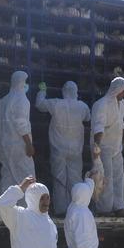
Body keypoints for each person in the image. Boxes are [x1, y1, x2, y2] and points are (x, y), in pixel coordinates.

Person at [35, 80, 91, 215]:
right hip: (76, 149)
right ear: (76, 91)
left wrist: (42, 90)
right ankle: (76, 207)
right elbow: (88, 118)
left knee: (59, 178)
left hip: (58, 149)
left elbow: (39, 105)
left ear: (63, 91)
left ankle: (61, 209)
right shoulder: (82, 106)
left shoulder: (56, 104)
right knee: (75, 178)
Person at [90, 76, 124, 217]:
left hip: (116, 148)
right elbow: (98, 127)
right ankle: (104, 209)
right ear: (117, 89)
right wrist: (96, 146)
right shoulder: (102, 105)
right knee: (105, 178)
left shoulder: (122, 105)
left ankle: (119, 207)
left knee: (119, 178)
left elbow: (121, 125)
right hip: (104, 148)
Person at [0, 71, 34, 193]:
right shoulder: (22, 99)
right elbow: (21, 124)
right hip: (20, 146)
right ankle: (26, 209)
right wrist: (29, 145)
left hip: (5, 145)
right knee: (26, 177)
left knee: (8, 176)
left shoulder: (2, 101)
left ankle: (6, 208)